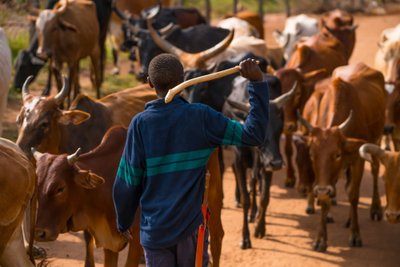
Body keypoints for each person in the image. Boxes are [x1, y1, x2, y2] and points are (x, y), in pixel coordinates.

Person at [113, 53, 270, 267]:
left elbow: (127, 182)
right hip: (192, 232)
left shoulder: (140, 124)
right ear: (184, 79)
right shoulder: (202, 117)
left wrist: (123, 221)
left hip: (155, 231)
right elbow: (254, 135)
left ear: (149, 83)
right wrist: (257, 83)